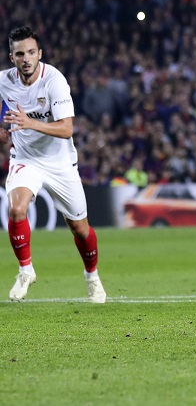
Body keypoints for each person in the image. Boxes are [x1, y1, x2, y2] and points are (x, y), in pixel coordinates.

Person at [3, 26, 106, 303]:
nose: (26, 58)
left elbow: (66, 129)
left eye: (31, 53)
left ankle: (92, 276)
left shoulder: (54, 81)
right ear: (12, 57)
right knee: (16, 208)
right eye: (20, 53)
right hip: (26, 159)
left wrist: (29, 123)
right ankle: (26, 271)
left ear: (40, 54)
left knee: (80, 229)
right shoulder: (3, 82)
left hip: (60, 163)